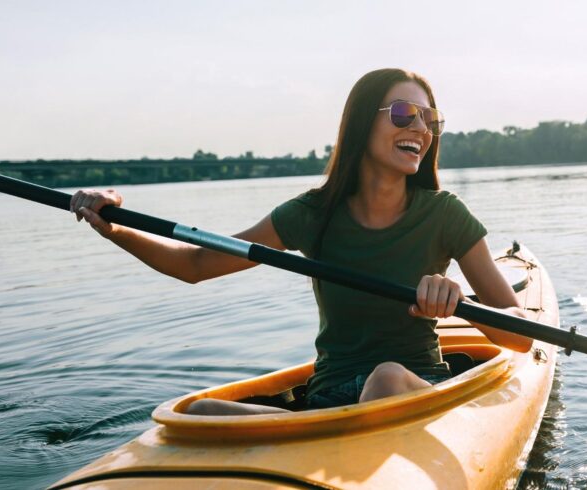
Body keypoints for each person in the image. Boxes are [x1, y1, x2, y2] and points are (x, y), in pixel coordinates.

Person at [69, 68, 533, 415]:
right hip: (328, 399)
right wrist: (114, 226)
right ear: (360, 123)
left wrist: (456, 302)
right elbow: (194, 264)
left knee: (386, 377)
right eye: (403, 113)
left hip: (411, 388)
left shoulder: (444, 214)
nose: (421, 128)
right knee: (197, 411)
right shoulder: (312, 214)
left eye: (430, 119)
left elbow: (517, 335)